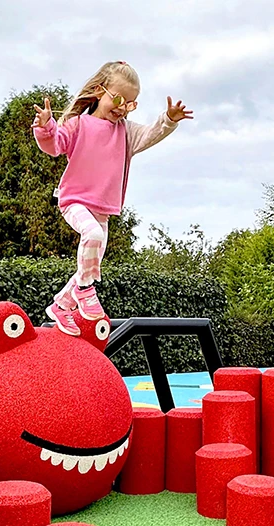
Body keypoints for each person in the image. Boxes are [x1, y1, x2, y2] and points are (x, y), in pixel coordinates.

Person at [32, 60, 193, 336]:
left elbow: (150, 134)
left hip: (103, 210)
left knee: (90, 263)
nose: (122, 107)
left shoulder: (126, 133)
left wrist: (168, 120)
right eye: (118, 99)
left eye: (130, 103)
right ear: (99, 91)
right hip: (74, 200)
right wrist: (45, 127)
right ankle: (84, 290)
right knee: (91, 237)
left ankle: (61, 304)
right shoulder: (78, 124)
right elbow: (54, 145)